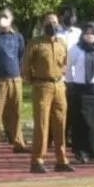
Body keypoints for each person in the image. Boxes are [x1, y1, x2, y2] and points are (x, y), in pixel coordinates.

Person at [22, 13, 74, 174]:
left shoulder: (62, 43)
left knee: (60, 123)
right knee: (42, 124)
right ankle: (37, 160)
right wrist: (36, 82)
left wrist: (59, 76)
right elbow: (25, 68)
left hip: (59, 85)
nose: (52, 24)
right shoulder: (35, 44)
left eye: (55, 22)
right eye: (49, 22)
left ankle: (61, 160)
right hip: (42, 85)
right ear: (43, 24)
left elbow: (65, 63)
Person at [0, 7, 28, 155]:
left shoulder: (18, 37)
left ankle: (18, 142)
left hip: (15, 79)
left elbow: (21, 55)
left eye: (6, 16)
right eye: (1, 16)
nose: (3, 18)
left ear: (12, 19)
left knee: (16, 112)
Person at [66, 23, 94, 164]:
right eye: (87, 33)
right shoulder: (76, 49)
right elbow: (68, 67)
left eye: (93, 33)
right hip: (80, 88)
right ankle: (80, 151)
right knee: (81, 121)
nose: (90, 36)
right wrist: (71, 83)